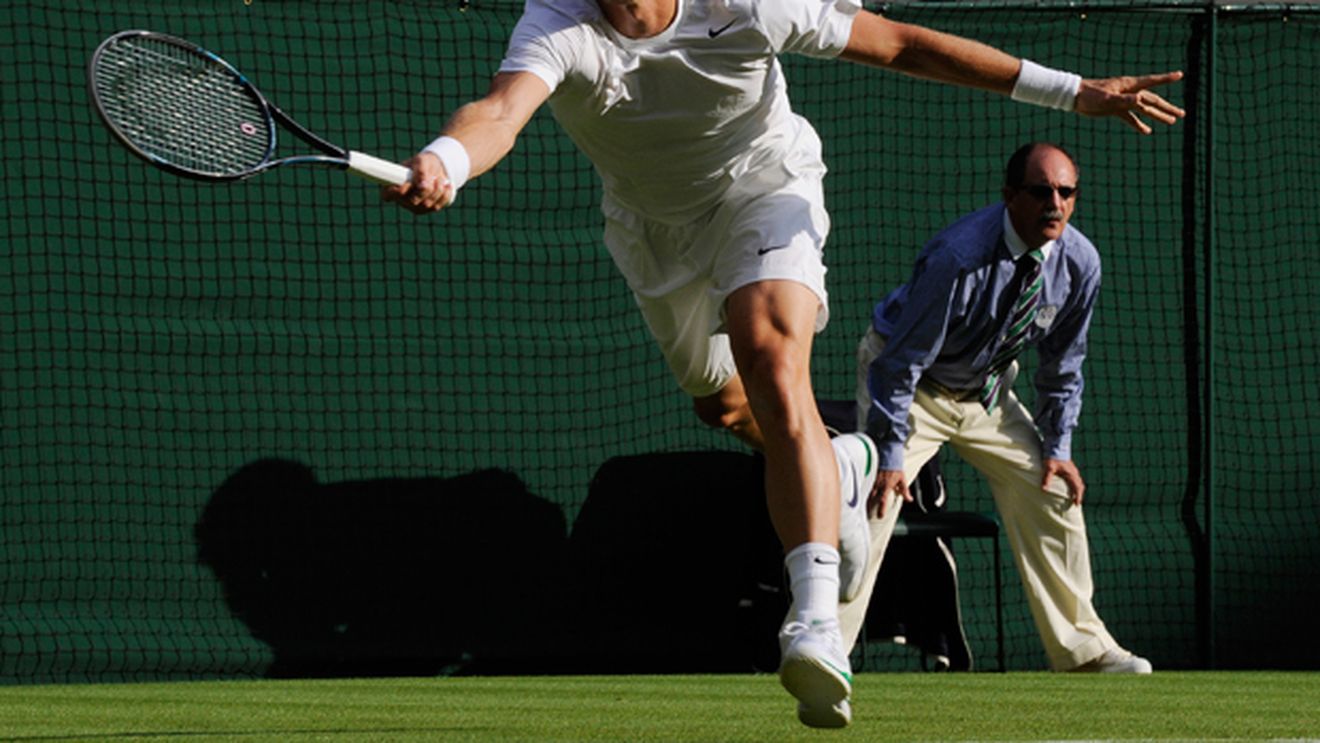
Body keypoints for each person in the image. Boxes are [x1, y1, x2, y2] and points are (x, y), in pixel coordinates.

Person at [383, 0, 1183, 728]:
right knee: (725, 407)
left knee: (771, 359)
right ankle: (840, 461)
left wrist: (1071, 92)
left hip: (766, 190)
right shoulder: (557, 25)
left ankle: (809, 622)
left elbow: (901, 43)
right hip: (654, 231)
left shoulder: (748, 4)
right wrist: (448, 158)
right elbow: (501, 109)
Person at [844, 141, 1153, 679]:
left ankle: (1083, 652)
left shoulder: (1080, 263)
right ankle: (826, 646)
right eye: (1040, 192)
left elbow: (1063, 365)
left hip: (986, 393)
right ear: (1010, 196)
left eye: (1066, 192)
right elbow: (899, 365)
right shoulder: (958, 258)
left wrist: (1058, 450)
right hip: (914, 387)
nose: (1054, 203)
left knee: (1054, 488)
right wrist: (890, 456)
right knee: (872, 504)